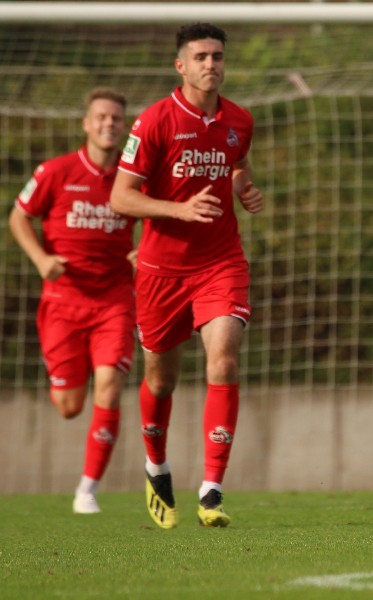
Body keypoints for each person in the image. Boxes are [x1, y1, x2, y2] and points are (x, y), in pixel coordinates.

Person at [111, 22, 264, 529]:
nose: (210, 64)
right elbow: (121, 197)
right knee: (161, 377)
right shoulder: (154, 122)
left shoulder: (239, 119)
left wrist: (243, 187)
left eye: (217, 56)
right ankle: (157, 469)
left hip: (220, 262)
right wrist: (177, 210)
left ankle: (212, 491)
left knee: (223, 358)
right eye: (200, 56)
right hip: (160, 271)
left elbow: (236, 164)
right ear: (181, 66)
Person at [9, 88, 136, 515]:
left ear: (124, 126)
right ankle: (65, 381)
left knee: (110, 386)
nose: (108, 123)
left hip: (115, 300)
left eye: (116, 118)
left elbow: (154, 217)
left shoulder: (131, 176)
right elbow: (18, 216)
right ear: (86, 123)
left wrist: (144, 252)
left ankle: (87, 489)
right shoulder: (56, 171)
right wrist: (41, 258)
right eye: (101, 116)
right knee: (68, 406)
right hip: (62, 302)